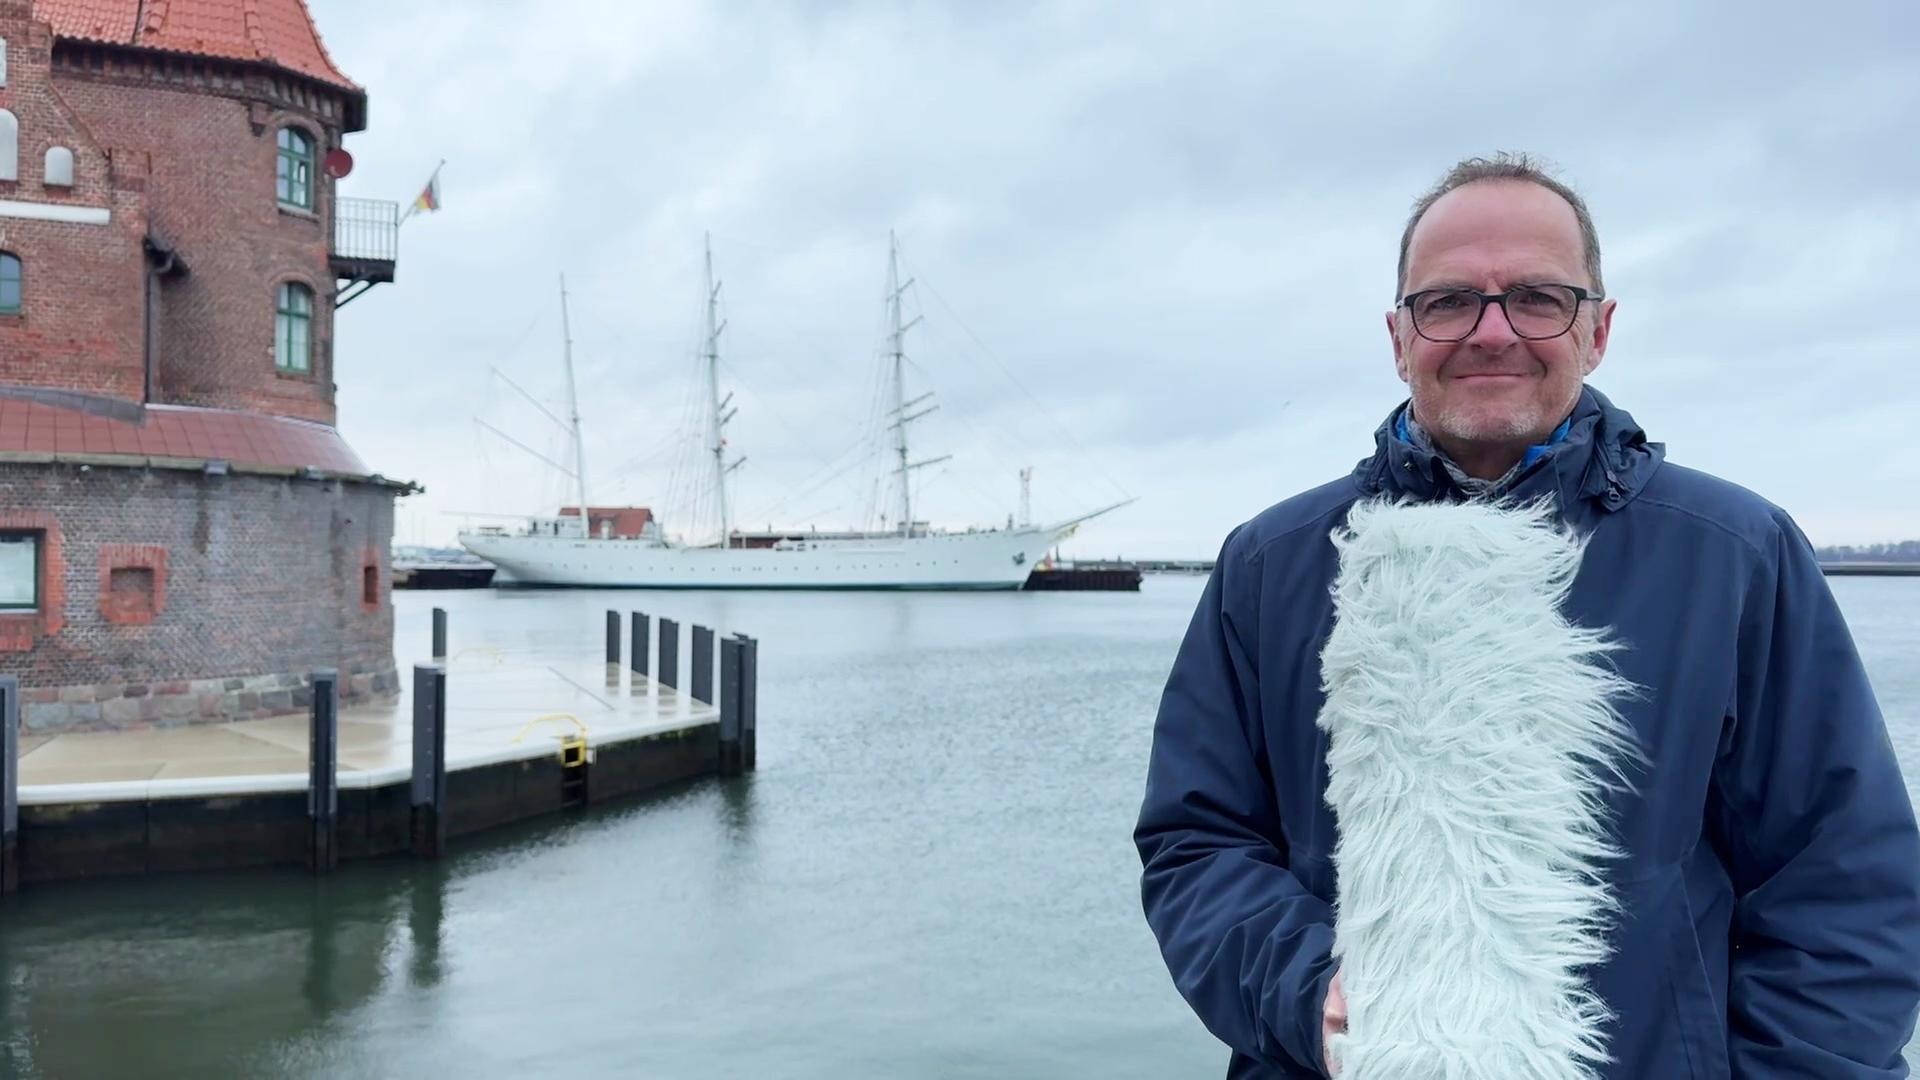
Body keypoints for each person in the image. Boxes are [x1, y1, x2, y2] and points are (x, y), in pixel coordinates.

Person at [1134, 152, 1920, 1078]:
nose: (1493, 331)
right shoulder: (1271, 565)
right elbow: (1197, 843)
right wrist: (1316, 999)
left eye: (1539, 298)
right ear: (1398, 335)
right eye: (1449, 301)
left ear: (1599, 329)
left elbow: (1842, 886)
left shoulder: (1735, 552)